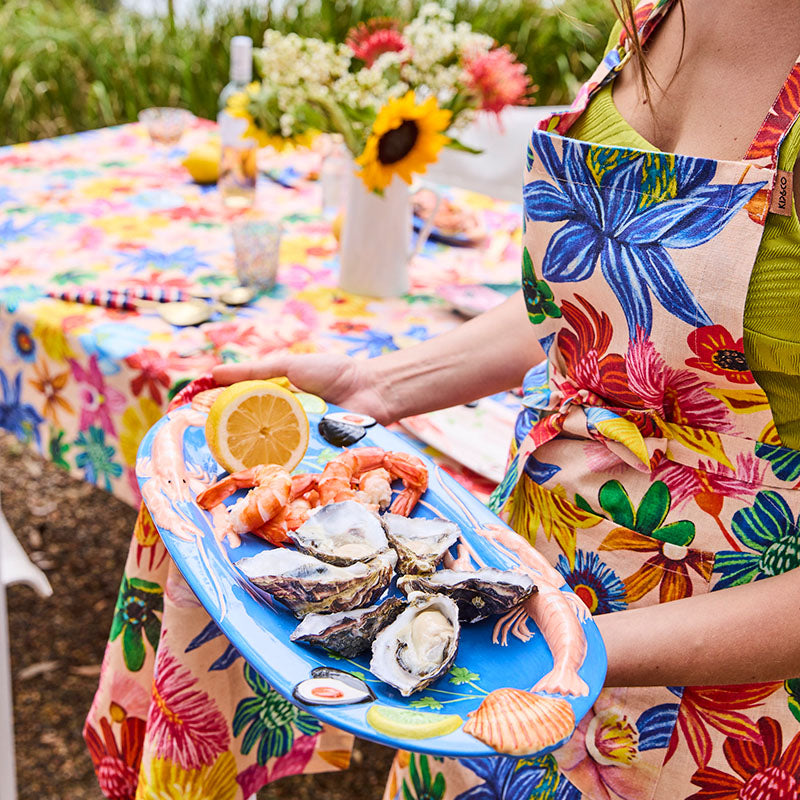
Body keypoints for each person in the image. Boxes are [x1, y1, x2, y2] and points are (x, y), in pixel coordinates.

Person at [211, 0, 800, 797]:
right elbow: (605, 308)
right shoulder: (658, 17)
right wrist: (374, 384)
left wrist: (571, 649)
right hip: (520, 593)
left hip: (721, 701)